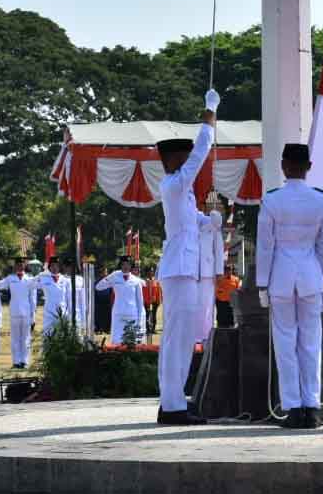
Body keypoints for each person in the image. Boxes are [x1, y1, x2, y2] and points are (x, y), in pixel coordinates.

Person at [255, 142, 323, 429]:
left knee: (285, 344)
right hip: (312, 276)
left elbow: (265, 247)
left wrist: (262, 284)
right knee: (311, 343)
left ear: (284, 166)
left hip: (280, 277)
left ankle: (293, 408)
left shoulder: (272, 200)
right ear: (308, 167)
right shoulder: (322, 200)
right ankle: (312, 407)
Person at [152, 90, 218, 425]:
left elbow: (195, 223)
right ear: (175, 160)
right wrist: (209, 113)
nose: (189, 161)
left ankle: (174, 401)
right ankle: (173, 405)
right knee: (177, 338)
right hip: (179, 270)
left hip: (185, 269)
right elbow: (202, 151)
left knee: (180, 336)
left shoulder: (183, 193)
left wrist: (213, 221)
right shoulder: (175, 184)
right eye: (185, 157)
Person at [95, 256, 147, 345]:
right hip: (118, 314)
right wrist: (109, 277)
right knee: (117, 341)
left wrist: (140, 319)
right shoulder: (115, 277)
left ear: (131, 266)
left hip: (132, 314)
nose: (125, 267)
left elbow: (140, 302)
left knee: (132, 342)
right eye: (123, 264)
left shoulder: (136, 281)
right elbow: (98, 287)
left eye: (128, 264)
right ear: (120, 265)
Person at [0, 257, 38, 369]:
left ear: (24, 266)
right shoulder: (10, 278)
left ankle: (25, 361)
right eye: (18, 265)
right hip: (14, 311)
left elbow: (33, 298)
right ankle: (16, 361)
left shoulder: (29, 279)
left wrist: (33, 315)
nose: (19, 267)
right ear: (15, 266)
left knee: (26, 338)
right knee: (15, 337)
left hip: (26, 312)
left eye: (21, 265)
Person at [196, 208, 225, 341]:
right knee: (192, 305)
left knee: (206, 306)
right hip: (190, 269)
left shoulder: (212, 222)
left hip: (208, 271)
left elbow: (219, 249)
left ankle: (206, 336)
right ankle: (192, 337)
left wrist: (219, 271)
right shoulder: (188, 219)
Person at [38, 257, 72, 336]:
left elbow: (68, 298)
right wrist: (41, 274)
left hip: (62, 313)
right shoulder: (44, 278)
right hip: (49, 313)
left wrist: (69, 314)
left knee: (62, 337)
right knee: (48, 336)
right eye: (52, 265)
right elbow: (30, 285)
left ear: (59, 267)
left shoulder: (65, 280)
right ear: (49, 267)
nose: (54, 268)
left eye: (56, 265)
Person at [214, 264, 241, 328]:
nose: (228, 271)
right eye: (226, 269)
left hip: (231, 304)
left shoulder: (236, 279)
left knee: (231, 322)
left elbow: (239, 290)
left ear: (231, 270)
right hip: (221, 304)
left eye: (229, 269)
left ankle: (232, 335)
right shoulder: (219, 279)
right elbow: (215, 289)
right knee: (221, 322)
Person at [144, 270, 162, 335]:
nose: (151, 273)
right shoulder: (144, 281)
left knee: (154, 315)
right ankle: (147, 328)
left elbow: (159, 291)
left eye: (152, 272)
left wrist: (159, 300)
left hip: (155, 301)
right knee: (147, 315)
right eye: (149, 272)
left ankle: (153, 329)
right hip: (147, 301)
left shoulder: (156, 281)